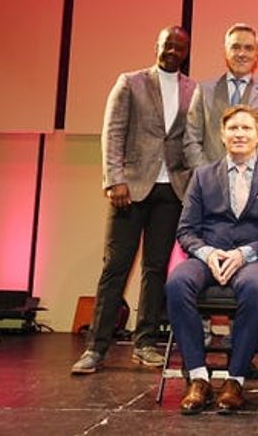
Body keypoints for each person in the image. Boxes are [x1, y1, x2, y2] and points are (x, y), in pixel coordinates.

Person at [72, 26, 194, 375]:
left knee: (156, 269)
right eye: (167, 43)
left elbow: (189, 139)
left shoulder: (192, 89)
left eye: (179, 46)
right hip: (130, 189)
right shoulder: (130, 82)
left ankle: (145, 343)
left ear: (186, 52)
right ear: (156, 45)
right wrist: (114, 179)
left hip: (171, 191)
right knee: (116, 267)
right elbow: (112, 132)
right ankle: (96, 347)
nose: (172, 49)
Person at [164, 105, 258, 415]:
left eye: (246, 129)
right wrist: (208, 254)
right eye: (233, 128)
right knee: (177, 282)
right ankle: (198, 377)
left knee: (253, 288)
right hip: (209, 256)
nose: (239, 134)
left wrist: (244, 254)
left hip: (255, 258)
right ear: (222, 135)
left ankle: (235, 380)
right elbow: (186, 230)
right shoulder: (202, 176)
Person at [184, 23, 258, 168]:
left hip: (248, 183)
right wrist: (207, 176)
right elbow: (192, 139)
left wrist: (243, 175)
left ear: (256, 55)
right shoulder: (204, 90)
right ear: (225, 52)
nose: (241, 54)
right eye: (235, 47)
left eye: (248, 48)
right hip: (207, 182)